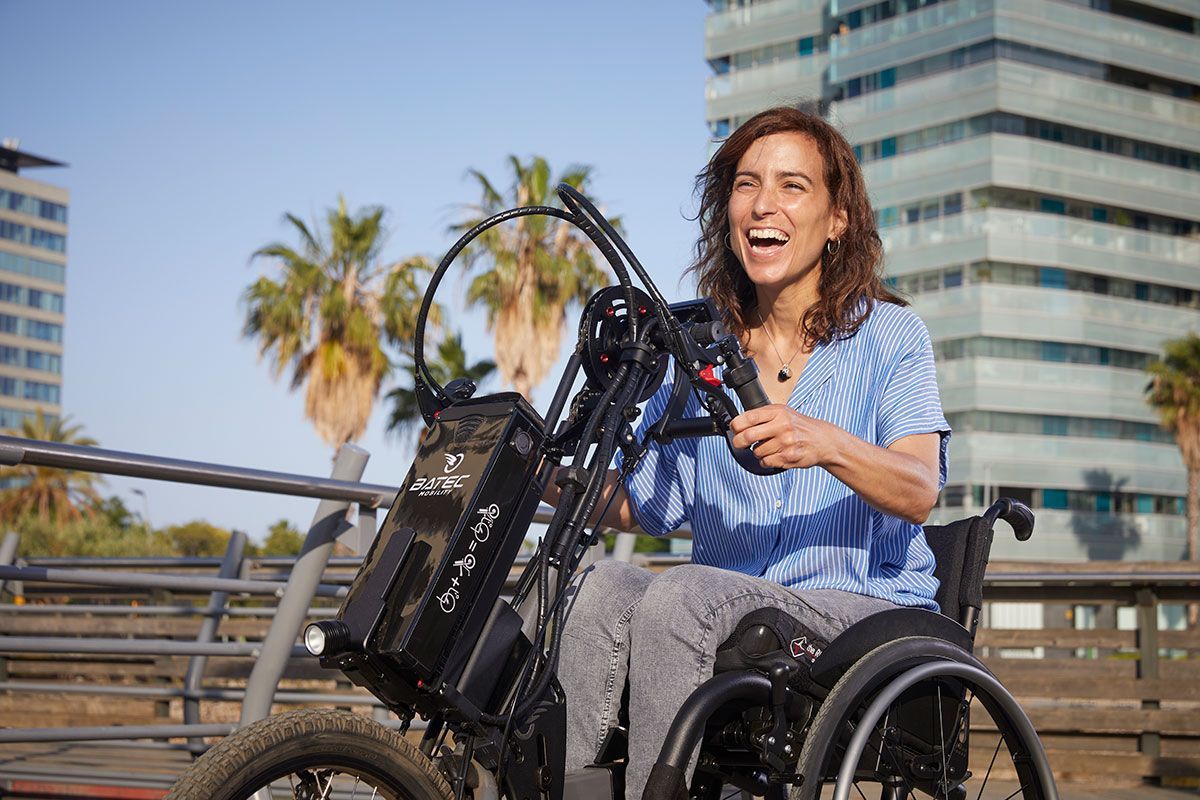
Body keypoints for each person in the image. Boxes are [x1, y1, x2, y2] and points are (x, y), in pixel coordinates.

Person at [552, 105, 951, 799]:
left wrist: (822, 442)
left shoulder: (893, 336)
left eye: (793, 186)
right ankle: (566, 787)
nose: (764, 203)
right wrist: (550, 480)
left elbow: (919, 488)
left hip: (855, 612)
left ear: (837, 219)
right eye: (746, 184)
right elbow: (648, 505)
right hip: (722, 604)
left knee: (680, 591)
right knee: (601, 586)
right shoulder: (703, 349)